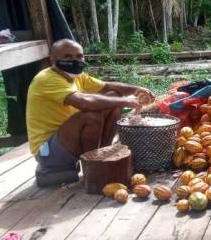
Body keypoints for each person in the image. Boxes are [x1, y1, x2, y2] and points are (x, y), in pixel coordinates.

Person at [26, 39, 155, 187]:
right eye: (68, 57)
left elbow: (108, 86)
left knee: (113, 95)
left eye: (79, 56)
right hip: (47, 152)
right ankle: (93, 171)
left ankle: (101, 155)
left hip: (68, 139)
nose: (75, 60)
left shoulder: (78, 76)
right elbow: (84, 102)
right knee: (91, 115)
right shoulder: (46, 79)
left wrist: (138, 90)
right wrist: (125, 101)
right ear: (53, 59)